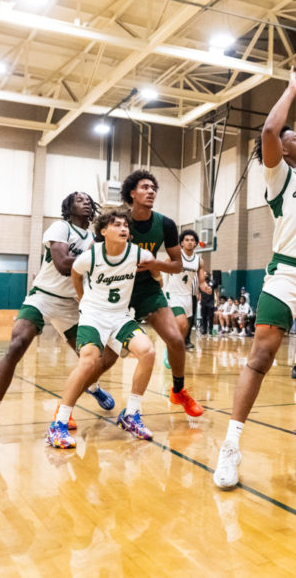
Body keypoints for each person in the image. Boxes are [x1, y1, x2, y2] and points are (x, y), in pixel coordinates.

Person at [213, 70, 296, 490]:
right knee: (260, 359)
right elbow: (270, 128)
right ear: (282, 151)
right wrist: (290, 90)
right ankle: (231, 448)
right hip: (285, 276)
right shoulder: (279, 175)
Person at [0, 192, 116, 443]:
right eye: (79, 199)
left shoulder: (95, 238)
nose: (86, 202)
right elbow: (62, 264)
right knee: (16, 345)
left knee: (95, 358)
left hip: (72, 305)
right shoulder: (60, 227)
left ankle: (92, 387)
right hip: (43, 296)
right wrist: (98, 258)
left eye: (88, 199)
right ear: (68, 207)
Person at [46, 209, 157, 448]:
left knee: (147, 351)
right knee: (89, 361)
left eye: (126, 225)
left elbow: (156, 270)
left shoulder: (138, 253)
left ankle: (131, 415)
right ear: (104, 231)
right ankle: (58, 424)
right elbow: (75, 273)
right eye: (117, 225)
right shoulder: (90, 256)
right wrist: (81, 296)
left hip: (120, 316)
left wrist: (156, 274)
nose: (124, 228)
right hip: (94, 315)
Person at [121, 169, 203, 417]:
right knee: (104, 358)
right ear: (132, 193)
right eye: (145, 187)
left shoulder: (165, 224)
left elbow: (177, 264)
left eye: (153, 188)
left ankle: (178, 391)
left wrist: (153, 264)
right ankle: (74, 401)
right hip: (119, 289)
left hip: (147, 288)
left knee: (176, 340)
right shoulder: (118, 221)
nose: (151, 191)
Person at [163, 228, 212, 362]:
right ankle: (169, 351)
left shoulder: (199, 261)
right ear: (182, 243)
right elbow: (163, 270)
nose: (190, 242)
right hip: (173, 294)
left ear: (196, 243)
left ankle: (173, 347)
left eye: (192, 240)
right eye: (187, 240)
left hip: (188, 296)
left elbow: (201, 282)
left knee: (185, 328)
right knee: (182, 323)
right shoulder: (174, 256)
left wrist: (205, 288)